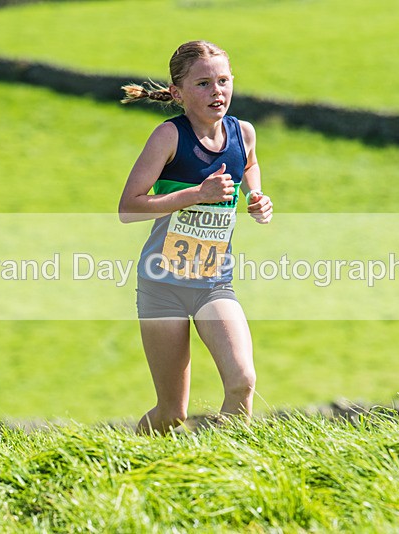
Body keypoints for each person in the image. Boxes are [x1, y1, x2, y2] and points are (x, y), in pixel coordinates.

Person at [118, 40, 273, 435]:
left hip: (214, 283)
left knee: (242, 382)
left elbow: (249, 165)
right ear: (177, 93)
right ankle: (132, 462)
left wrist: (254, 196)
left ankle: (226, 470)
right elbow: (128, 207)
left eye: (223, 81)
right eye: (203, 84)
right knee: (171, 414)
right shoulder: (168, 137)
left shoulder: (244, 133)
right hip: (162, 286)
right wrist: (195, 195)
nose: (216, 92)